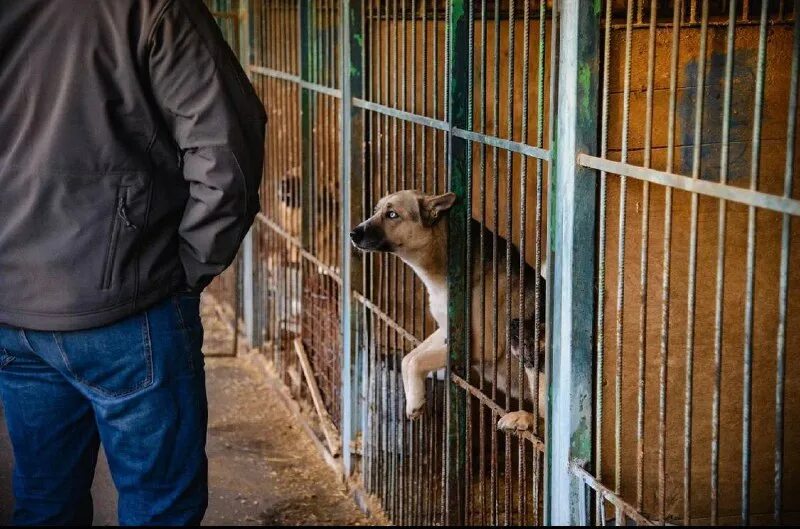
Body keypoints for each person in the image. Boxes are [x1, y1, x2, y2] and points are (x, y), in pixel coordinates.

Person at [0, 0, 266, 524]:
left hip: (13, 307)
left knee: (43, 503)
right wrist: (189, 269)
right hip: (130, 302)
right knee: (160, 504)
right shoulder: (154, 9)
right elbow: (225, 157)